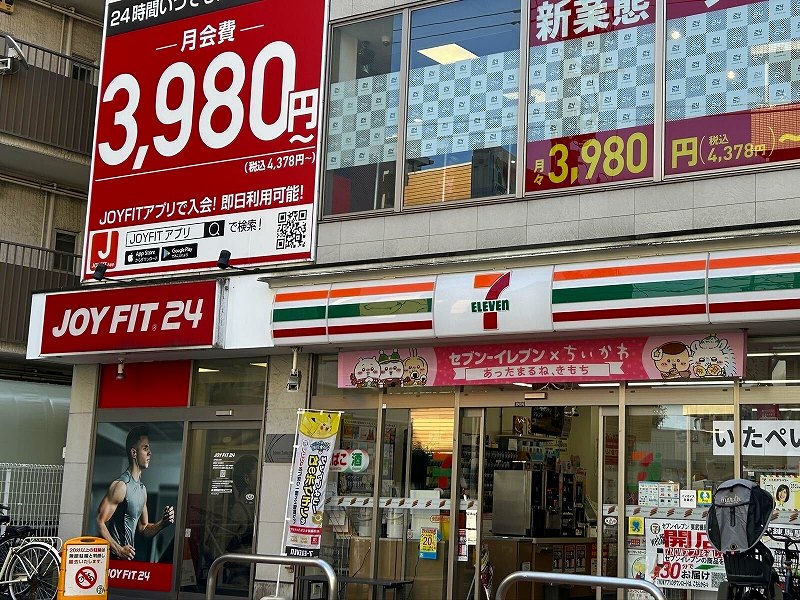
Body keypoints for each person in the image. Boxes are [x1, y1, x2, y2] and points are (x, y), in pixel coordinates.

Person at [96, 426, 175, 560]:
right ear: (134, 453)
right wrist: (119, 550)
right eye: (145, 448)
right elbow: (99, 522)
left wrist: (162, 523)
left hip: (127, 559)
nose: (150, 453)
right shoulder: (121, 486)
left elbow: (143, 528)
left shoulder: (142, 490)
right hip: (113, 560)